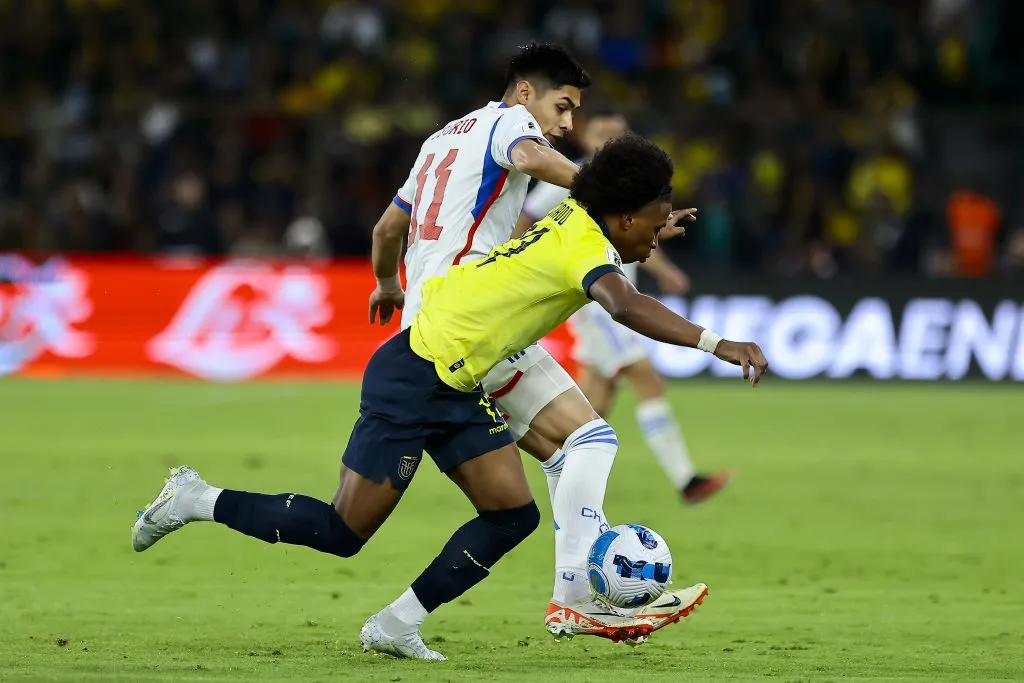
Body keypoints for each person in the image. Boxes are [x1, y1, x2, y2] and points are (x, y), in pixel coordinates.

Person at [130, 133, 768, 662]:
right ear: (624, 217)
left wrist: (652, 222)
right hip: (415, 375)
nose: (656, 240)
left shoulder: (583, 215)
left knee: (513, 512)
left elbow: (617, 233)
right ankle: (196, 498)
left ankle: (397, 624)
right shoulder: (584, 244)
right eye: (652, 226)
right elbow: (625, 304)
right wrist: (718, 343)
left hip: (462, 378)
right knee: (341, 531)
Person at [514, 109, 731, 505]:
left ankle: (557, 467)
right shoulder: (572, 175)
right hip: (598, 301)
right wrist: (516, 262)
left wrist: (663, 270)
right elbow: (526, 218)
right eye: (601, 133)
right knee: (647, 378)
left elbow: (636, 234)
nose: (608, 140)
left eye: (617, 133)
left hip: (613, 291)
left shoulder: (620, 186)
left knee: (592, 405)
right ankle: (686, 480)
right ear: (585, 138)